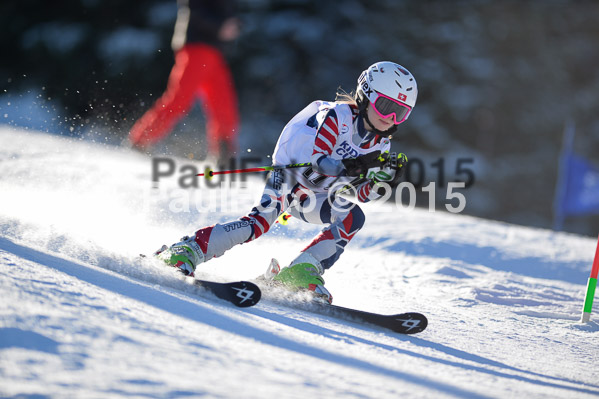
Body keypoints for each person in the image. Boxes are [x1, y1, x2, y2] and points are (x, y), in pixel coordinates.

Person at [155, 61, 418, 303]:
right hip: (291, 178)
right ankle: (187, 249)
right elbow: (316, 167)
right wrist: (355, 166)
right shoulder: (337, 117)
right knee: (257, 225)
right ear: (366, 95)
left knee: (353, 218)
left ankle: (300, 272)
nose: (391, 119)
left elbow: (360, 194)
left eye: (401, 113)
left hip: (314, 194)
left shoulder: (381, 143)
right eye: (386, 107)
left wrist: (383, 182)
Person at [128, 0, 240, 161]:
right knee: (179, 99)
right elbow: (196, 9)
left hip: (215, 51)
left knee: (223, 103)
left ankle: (223, 155)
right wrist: (220, 26)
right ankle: (140, 141)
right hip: (196, 48)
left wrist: (234, 24)